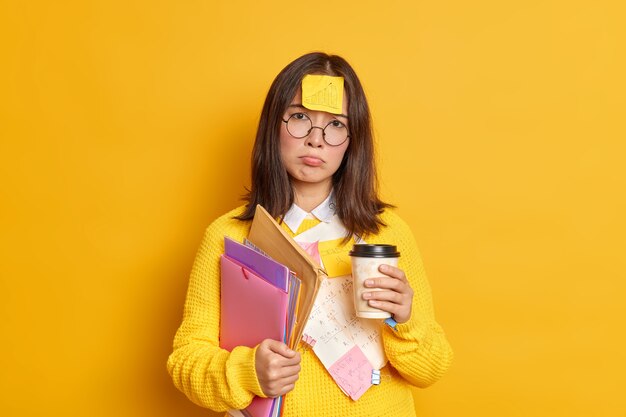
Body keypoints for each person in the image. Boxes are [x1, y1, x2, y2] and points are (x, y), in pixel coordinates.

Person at [167, 52, 453, 416]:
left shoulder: (387, 234)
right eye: (300, 117)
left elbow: (431, 369)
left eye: (335, 124)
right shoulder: (231, 237)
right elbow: (186, 361)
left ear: (353, 140)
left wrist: (405, 319)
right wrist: (246, 372)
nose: (316, 140)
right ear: (274, 126)